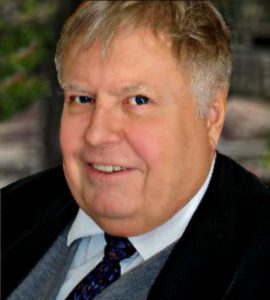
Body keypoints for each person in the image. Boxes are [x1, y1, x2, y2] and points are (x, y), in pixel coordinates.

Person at [2, 1, 270, 299]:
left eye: (138, 100)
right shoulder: (12, 211)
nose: (97, 134)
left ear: (211, 116)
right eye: (82, 99)